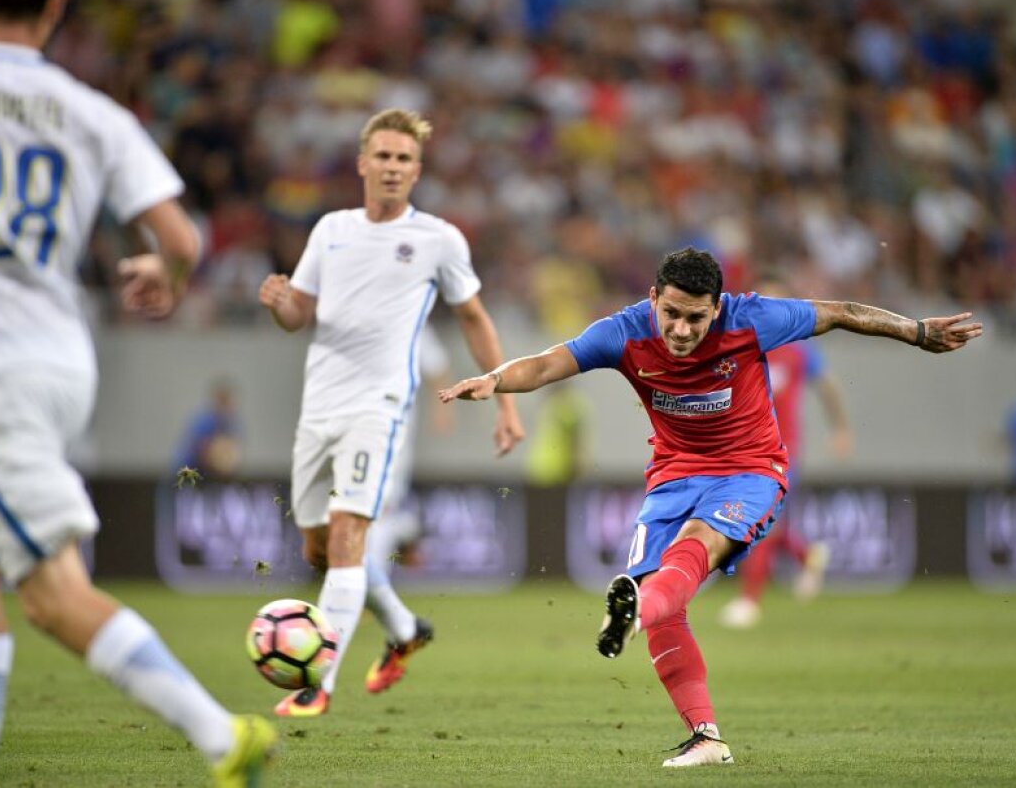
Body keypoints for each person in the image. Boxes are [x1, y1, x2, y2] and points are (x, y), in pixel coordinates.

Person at [439, 247, 981, 767]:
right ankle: (704, 735)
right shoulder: (623, 332)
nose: (680, 330)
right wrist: (495, 379)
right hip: (673, 475)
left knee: (694, 544)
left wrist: (915, 331)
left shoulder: (752, 319)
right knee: (662, 601)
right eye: (671, 313)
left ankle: (632, 614)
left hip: (749, 471)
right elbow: (546, 364)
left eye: (695, 319)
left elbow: (840, 312)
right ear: (653, 298)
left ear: (717, 308)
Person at [0, 0, 275, 787]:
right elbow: (182, 238)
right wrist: (165, 271)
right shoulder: (90, 112)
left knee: (54, 595)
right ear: (57, 6)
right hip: (63, 361)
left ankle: (223, 735)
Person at [258, 108, 525, 717]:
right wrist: (279, 304)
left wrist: (505, 399)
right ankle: (405, 630)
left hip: (379, 407)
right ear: (362, 163)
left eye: (404, 159)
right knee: (321, 551)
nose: (392, 167)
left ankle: (316, 684)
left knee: (351, 536)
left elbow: (475, 319)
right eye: (383, 156)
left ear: (417, 170)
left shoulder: (438, 239)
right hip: (318, 405)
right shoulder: (330, 230)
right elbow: (299, 313)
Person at [718, 272, 853, 629]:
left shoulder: (799, 350)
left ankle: (749, 602)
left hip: (781, 450)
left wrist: (840, 428)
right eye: (766, 304)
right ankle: (807, 555)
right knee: (759, 523)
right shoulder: (743, 345)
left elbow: (829, 386)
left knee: (760, 520)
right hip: (741, 449)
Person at [361, 323, 452, 694]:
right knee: (352, 525)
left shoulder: (413, 321)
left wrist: (442, 408)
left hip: (389, 444)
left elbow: (438, 365)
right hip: (355, 438)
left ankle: (372, 602)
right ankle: (409, 533)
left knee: (372, 520)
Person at [172, 378, 243, 481]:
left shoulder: (233, 423)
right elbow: (197, 449)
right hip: (189, 471)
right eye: (223, 400)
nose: (227, 405)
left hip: (214, 476)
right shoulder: (203, 420)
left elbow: (234, 453)